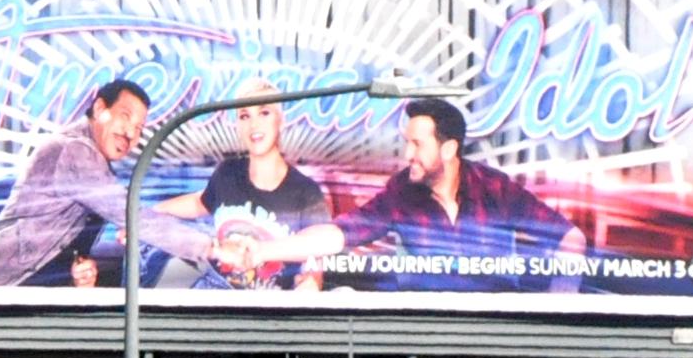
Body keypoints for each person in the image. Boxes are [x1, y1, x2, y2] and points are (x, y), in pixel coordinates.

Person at [231, 98, 585, 291]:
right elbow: (337, 234)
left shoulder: (495, 187)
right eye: (406, 143)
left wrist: (558, 309)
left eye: (417, 144)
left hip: (496, 332)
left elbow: (571, 237)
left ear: (448, 150)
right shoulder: (401, 191)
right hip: (423, 333)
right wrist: (265, 250)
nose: (407, 155)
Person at [0, 78, 233, 288]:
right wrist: (211, 247)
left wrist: (76, 268)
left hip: (26, 286)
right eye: (125, 117)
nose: (130, 133)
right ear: (100, 108)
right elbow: (130, 215)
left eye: (139, 128)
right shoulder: (76, 151)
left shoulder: (93, 160)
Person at [154, 79, 332, 289]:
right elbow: (200, 202)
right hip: (215, 301)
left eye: (264, 113)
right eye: (245, 116)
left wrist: (310, 283)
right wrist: (145, 215)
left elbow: (314, 264)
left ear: (280, 121)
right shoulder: (227, 173)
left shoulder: (306, 192)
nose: (254, 125)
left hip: (267, 314)